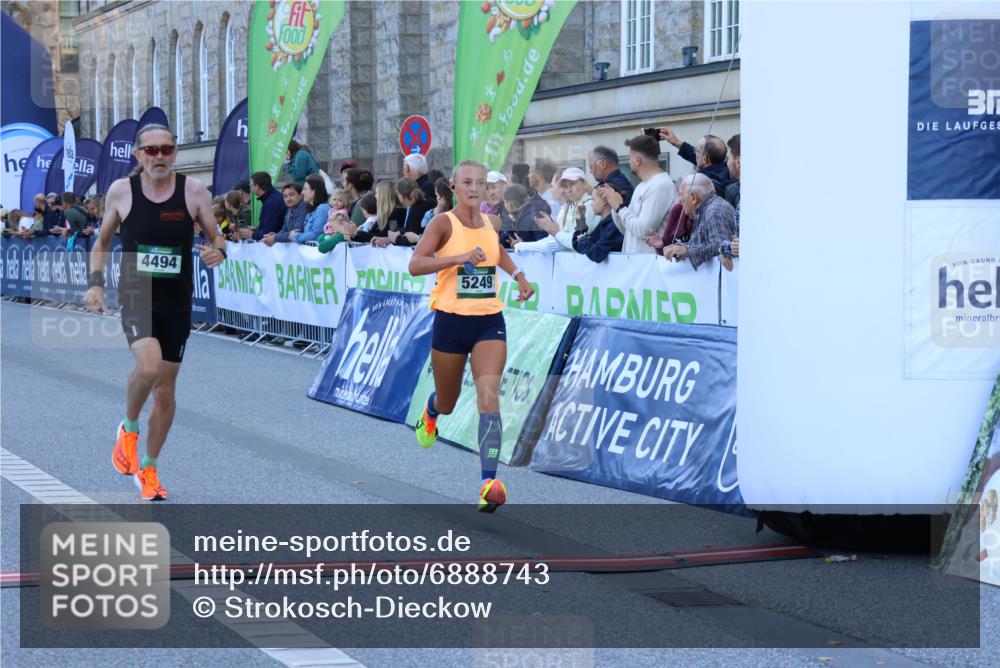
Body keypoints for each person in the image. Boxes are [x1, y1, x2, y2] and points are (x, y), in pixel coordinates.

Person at [82, 123, 227, 501]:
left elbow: (216, 235)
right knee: (148, 367)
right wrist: (96, 282)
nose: (159, 156)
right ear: (138, 155)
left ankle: (148, 467)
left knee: (165, 391)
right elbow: (102, 240)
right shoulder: (121, 192)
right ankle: (128, 430)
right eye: (151, 150)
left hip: (176, 298)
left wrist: (220, 250)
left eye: (166, 149)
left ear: (175, 152)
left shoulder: (193, 191)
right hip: (136, 291)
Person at [408, 160, 534, 513]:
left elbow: (498, 252)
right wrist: (457, 258)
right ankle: (431, 412)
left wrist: (519, 276)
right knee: (447, 401)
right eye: (467, 182)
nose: (475, 188)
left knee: (489, 397)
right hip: (450, 323)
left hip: (488, 322)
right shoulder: (441, 223)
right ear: (453, 186)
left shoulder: (492, 223)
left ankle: (487, 483)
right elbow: (415, 264)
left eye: (480, 182)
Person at [598, 135, 675, 253]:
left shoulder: (660, 186)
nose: (629, 161)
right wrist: (614, 204)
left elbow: (643, 230)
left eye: (630, 157)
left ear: (637, 160)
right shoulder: (642, 185)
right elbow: (628, 230)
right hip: (635, 264)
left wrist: (619, 207)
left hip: (649, 266)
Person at [657, 173, 737, 270]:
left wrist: (687, 250)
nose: (679, 201)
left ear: (693, 198)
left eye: (681, 195)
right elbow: (706, 244)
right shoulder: (707, 208)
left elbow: (721, 246)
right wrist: (681, 248)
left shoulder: (714, 211)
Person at [510, 167, 599, 254]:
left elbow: (575, 242)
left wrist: (554, 232)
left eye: (573, 184)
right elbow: (560, 240)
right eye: (565, 186)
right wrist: (524, 245)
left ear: (584, 183)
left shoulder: (588, 205)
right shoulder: (574, 206)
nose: (569, 190)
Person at [657, 127, 731, 196]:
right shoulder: (727, 170)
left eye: (696, 150)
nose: (694, 152)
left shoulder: (704, 184)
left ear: (705, 159)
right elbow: (697, 156)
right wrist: (675, 141)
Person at [572, 183, 625, 263]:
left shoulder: (614, 225)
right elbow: (577, 244)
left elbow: (597, 253)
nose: (592, 204)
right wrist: (581, 224)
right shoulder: (604, 224)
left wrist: (582, 238)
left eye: (593, 200)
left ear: (603, 201)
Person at [497, 184, 550, 248]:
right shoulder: (516, 217)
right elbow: (504, 241)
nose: (504, 206)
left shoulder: (535, 216)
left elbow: (544, 243)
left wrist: (523, 245)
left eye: (505, 203)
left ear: (510, 205)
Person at [241, 171, 287, 241]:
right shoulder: (271, 199)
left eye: (251, 185)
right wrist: (257, 230)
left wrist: (252, 234)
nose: (251, 188)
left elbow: (268, 232)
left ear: (257, 187)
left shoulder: (272, 202)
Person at [389, 177, 433, 247]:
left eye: (397, 193)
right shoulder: (424, 204)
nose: (397, 196)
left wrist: (396, 239)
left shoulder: (417, 209)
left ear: (402, 195)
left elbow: (412, 238)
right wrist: (400, 231)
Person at [291, 174, 331, 244]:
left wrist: (296, 236)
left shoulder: (322, 208)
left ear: (314, 191)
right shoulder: (311, 210)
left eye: (305, 189)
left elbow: (317, 235)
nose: (302, 192)